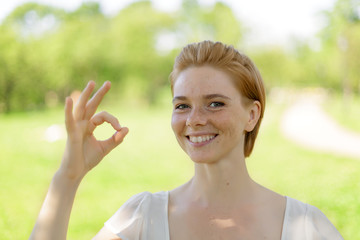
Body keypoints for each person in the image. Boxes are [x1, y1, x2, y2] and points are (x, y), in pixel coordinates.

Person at [29, 41, 343, 240]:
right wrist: (67, 177)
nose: (194, 119)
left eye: (215, 103)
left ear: (252, 115)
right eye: (182, 105)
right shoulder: (143, 217)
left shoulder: (306, 226)